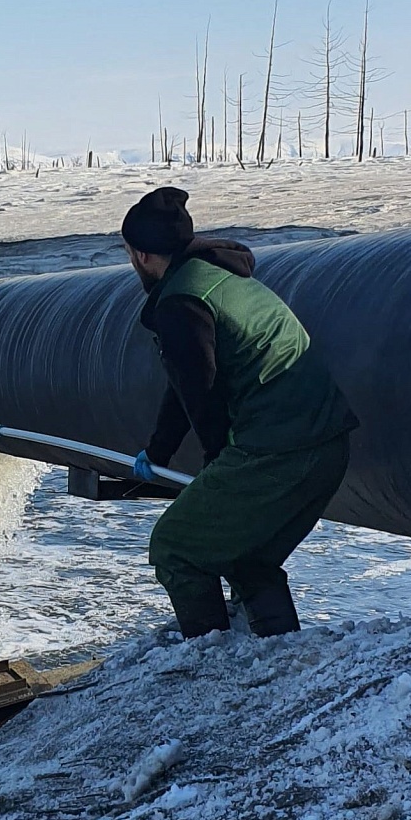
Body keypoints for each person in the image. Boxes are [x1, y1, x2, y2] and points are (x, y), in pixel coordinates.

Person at [123, 185, 358, 639]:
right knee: (247, 555)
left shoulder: (181, 303)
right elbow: (186, 380)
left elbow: (203, 396)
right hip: (328, 441)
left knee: (175, 547)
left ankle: (211, 657)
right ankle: (278, 651)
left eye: (129, 252)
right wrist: (158, 450)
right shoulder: (221, 277)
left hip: (279, 449)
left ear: (143, 256)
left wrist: (216, 470)